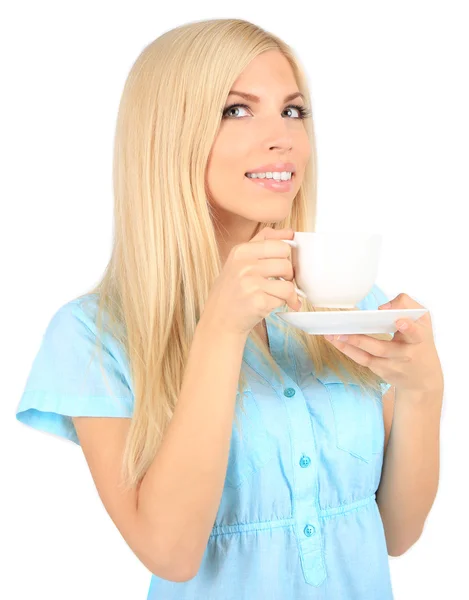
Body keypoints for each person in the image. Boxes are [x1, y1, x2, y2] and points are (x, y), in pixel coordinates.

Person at [15, 18, 397, 599]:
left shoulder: (349, 308)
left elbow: (397, 531)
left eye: (293, 111)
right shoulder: (91, 336)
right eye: (237, 110)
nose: (283, 137)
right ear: (171, 134)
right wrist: (219, 331)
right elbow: (170, 552)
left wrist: (425, 390)